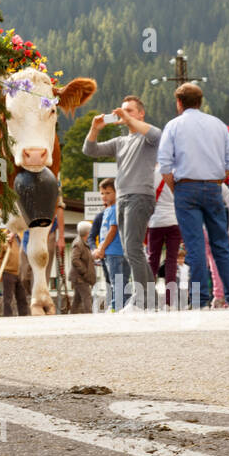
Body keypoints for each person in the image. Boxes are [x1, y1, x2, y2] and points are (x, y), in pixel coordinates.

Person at [157, 82, 229, 308]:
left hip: (186, 187)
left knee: (195, 247)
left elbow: (165, 165)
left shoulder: (173, 126)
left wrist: (176, 188)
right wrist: (217, 178)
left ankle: (199, 300)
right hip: (214, 187)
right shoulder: (217, 124)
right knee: (221, 245)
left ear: (179, 102)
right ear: (200, 101)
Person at [83, 96, 162, 309]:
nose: (124, 114)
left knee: (133, 249)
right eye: (123, 110)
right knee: (131, 250)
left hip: (140, 196)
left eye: (130, 110)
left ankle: (142, 299)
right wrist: (95, 128)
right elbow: (89, 151)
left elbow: (157, 134)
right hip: (123, 198)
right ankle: (150, 298)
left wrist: (127, 118)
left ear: (141, 113)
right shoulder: (120, 142)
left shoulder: (147, 137)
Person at [146, 165, 180, 306]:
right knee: (171, 261)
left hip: (155, 222)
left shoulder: (150, 173)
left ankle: (148, 299)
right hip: (174, 220)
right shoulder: (176, 170)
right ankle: (169, 301)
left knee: (152, 261)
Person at [91, 179, 127, 311]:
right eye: (102, 193)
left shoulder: (116, 209)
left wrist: (102, 247)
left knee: (116, 281)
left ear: (117, 193)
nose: (104, 196)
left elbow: (113, 230)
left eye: (108, 193)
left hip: (114, 251)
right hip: (108, 251)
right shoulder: (107, 210)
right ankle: (119, 305)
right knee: (116, 281)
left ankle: (116, 306)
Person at [0, 229, 29, 316]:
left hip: (20, 272)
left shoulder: (21, 235)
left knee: (22, 298)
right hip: (8, 272)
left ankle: (24, 316)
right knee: (8, 299)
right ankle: (7, 317)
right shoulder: (3, 236)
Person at [69, 221, 96, 314]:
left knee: (77, 299)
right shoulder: (78, 243)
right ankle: (89, 315)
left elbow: (84, 259)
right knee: (87, 296)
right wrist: (85, 271)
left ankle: (71, 315)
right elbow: (75, 259)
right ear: (88, 233)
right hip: (80, 277)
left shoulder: (83, 243)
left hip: (80, 277)